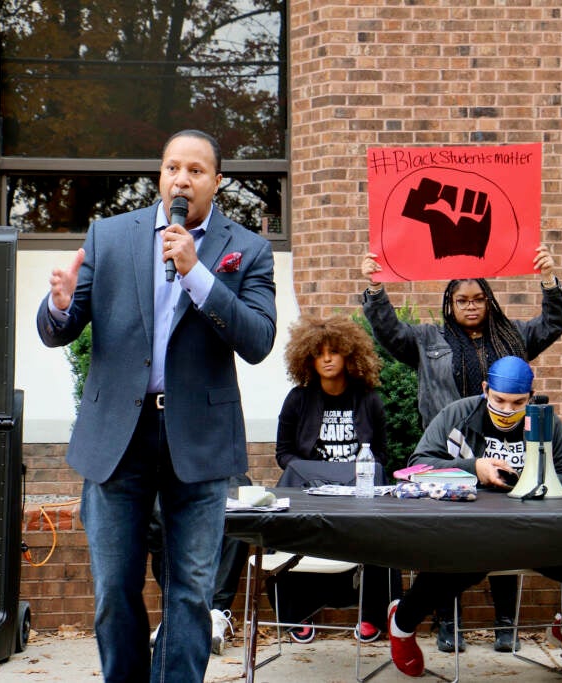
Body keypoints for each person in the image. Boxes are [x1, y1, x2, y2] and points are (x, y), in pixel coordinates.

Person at [37, 129, 277, 683]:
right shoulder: (111, 236)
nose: (181, 179)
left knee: (190, 591)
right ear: (160, 176)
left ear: (218, 181)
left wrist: (197, 273)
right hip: (119, 436)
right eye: (173, 168)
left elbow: (259, 340)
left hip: (199, 437)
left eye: (196, 170)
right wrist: (59, 304)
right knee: (114, 589)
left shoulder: (249, 248)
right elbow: (61, 329)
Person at [360, 245, 562, 652]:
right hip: (451, 455)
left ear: (489, 301)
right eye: (462, 300)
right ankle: (446, 622)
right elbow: (389, 332)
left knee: (508, 533)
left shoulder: (514, 335)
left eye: (478, 299)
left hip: (505, 448)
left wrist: (548, 280)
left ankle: (505, 622)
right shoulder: (427, 340)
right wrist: (376, 287)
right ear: (449, 304)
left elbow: (553, 323)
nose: (471, 307)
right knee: (448, 543)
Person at [386, 356, 562, 677]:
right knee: (456, 568)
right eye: (499, 400)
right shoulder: (459, 414)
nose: (506, 410)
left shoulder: (544, 421)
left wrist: (531, 476)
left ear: (531, 397)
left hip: (533, 532)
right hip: (470, 531)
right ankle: (402, 624)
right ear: (485, 389)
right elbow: (417, 464)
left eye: (517, 402)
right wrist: (473, 467)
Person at [273, 314, 401, 643]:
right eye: (319, 353)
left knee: (381, 534)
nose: (327, 359)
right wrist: (312, 474)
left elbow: (381, 455)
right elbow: (284, 453)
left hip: (357, 496)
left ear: (349, 354)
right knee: (286, 532)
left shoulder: (368, 399)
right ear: (308, 359)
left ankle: (373, 615)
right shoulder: (297, 400)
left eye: (334, 351)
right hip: (312, 493)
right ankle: (294, 614)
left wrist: (351, 478)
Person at [147, 474, 252, 655]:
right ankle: (174, 612)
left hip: (216, 466)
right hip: (167, 470)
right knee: (157, 515)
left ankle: (216, 613)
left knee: (237, 511)